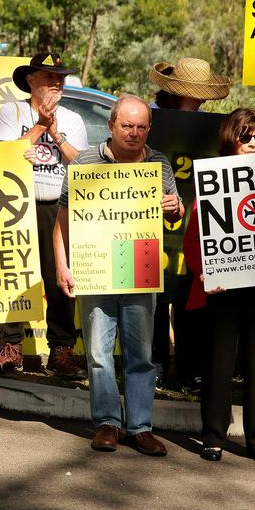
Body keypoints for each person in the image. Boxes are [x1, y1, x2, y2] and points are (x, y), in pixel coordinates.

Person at [55, 95, 182, 456]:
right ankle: (107, 424)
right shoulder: (84, 162)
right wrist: (62, 265)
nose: (134, 133)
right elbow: (62, 222)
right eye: (127, 125)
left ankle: (140, 428)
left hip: (139, 266)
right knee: (97, 351)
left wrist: (174, 206)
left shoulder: (159, 164)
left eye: (142, 126)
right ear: (111, 125)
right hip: (96, 266)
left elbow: (176, 214)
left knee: (141, 354)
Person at [182, 108, 255, 465]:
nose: (252, 143)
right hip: (223, 283)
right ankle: (213, 436)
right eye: (245, 136)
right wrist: (204, 274)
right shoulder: (214, 176)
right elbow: (195, 234)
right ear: (231, 138)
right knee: (218, 360)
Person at [0, 52, 88, 377]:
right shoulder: (12, 110)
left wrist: (57, 135)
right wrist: (38, 127)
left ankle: (61, 350)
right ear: (31, 81)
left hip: (57, 206)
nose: (57, 82)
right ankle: (11, 345)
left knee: (60, 276)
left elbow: (82, 165)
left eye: (60, 77)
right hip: (16, 204)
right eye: (49, 77)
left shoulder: (73, 119)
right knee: (13, 272)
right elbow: (1, 156)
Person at [148, 57, 230, 391]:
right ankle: (153, 364)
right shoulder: (151, 118)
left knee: (189, 296)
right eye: (193, 93)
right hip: (152, 221)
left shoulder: (211, 127)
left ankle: (188, 368)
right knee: (153, 295)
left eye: (202, 94)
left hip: (195, 223)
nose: (198, 99)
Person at [149, 58, 230, 111]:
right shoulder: (147, 116)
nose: (203, 101)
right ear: (181, 94)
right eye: (198, 95)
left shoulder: (202, 118)